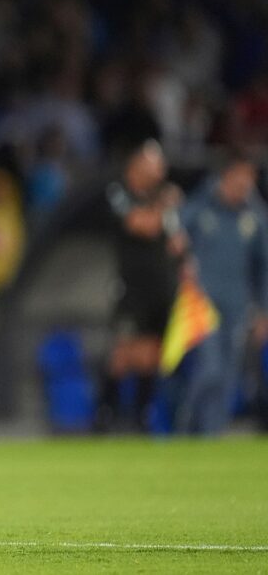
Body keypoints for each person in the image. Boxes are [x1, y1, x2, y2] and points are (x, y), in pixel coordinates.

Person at [178, 152, 268, 434]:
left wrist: (264, 311)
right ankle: (186, 429)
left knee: (228, 377)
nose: (245, 186)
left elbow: (265, 266)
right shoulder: (202, 205)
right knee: (210, 370)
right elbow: (175, 233)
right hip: (202, 306)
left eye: (250, 181)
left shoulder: (255, 216)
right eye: (241, 178)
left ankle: (210, 438)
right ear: (226, 176)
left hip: (238, 306)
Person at [99, 140, 186, 431]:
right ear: (137, 165)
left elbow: (176, 242)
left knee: (151, 353)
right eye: (154, 163)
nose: (160, 170)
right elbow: (142, 224)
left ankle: (141, 417)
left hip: (160, 288)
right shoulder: (119, 192)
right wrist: (164, 205)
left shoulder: (160, 199)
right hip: (131, 288)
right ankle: (105, 415)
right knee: (123, 353)